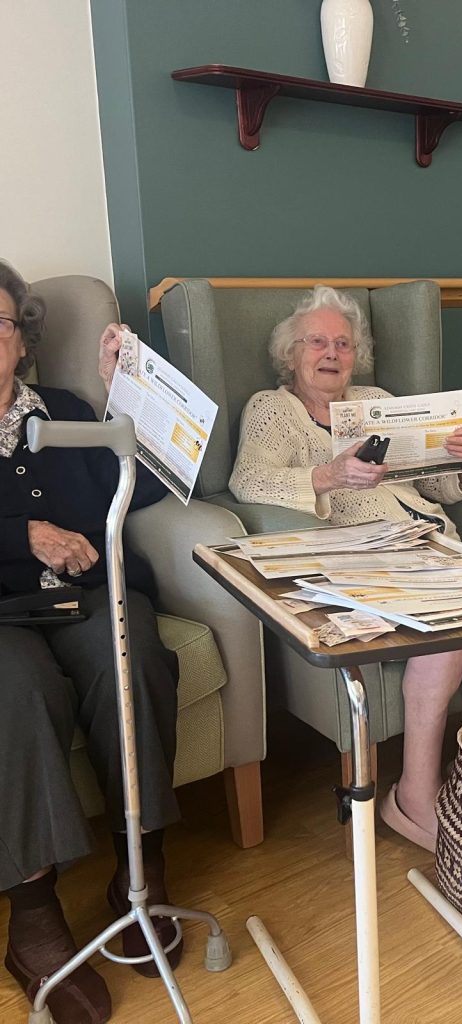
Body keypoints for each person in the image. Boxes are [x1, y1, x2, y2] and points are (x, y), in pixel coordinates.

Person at [230, 285, 462, 853]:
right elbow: (246, 482)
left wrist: (460, 455)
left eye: (343, 343)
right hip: (365, 559)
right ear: (291, 354)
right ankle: (413, 797)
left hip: (431, 546)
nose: (331, 352)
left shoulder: (376, 400)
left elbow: (432, 484)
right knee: (448, 636)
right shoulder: (271, 408)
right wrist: (326, 477)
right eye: (317, 341)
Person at [0, 261, 181, 1024]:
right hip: (3, 613)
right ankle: (34, 906)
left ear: (22, 340)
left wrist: (125, 396)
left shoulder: (70, 410)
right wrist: (24, 535)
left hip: (88, 593)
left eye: (0, 323)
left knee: (130, 651)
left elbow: (158, 483)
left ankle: (141, 867)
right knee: (17, 687)